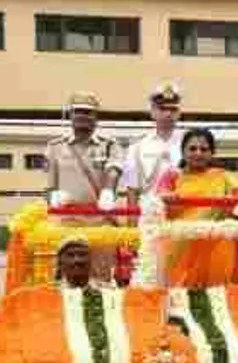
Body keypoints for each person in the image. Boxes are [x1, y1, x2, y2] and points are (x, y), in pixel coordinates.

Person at [45, 91, 124, 282]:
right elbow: (49, 186)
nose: (82, 116)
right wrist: (53, 198)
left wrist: (107, 191)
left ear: (96, 117)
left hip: (100, 223)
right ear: (70, 115)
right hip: (67, 223)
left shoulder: (109, 145)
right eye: (78, 111)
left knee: (102, 279)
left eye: (88, 112)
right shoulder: (55, 147)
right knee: (67, 280)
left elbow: (114, 171)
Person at [155, 128, 238, 289]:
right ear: (182, 152)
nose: (198, 153)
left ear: (211, 153)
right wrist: (167, 198)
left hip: (215, 246)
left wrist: (229, 204)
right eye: (192, 148)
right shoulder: (172, 176)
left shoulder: (223, 177)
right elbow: (157, 200)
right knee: (177, 298)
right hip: (179, 247)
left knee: (214, 297)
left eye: (204, 149)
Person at [121, 83, 181, 206]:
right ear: (152, 112)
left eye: (173, 109)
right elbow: (132, 190)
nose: (168, 113)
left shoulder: (190, 146)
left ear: (179, 113)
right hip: (149, 213)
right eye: (162, 109)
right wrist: (131, 224)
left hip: (183, 214)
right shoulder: (137, 148)